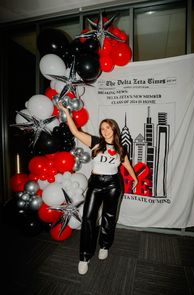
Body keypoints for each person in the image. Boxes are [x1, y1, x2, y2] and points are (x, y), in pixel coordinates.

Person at [58, 103, 138, 275]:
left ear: (114, 129)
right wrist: (66, 112)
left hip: (113, 184)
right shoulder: (95, 142)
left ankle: (104, 245)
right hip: (95, 183)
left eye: (108, 128)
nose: (105, 131)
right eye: (102, 128)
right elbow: (76, 132)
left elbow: (127, 165)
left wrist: (135, 178)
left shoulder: (120, 149)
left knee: (109, 217)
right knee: (88, 217)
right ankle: (84, 257)